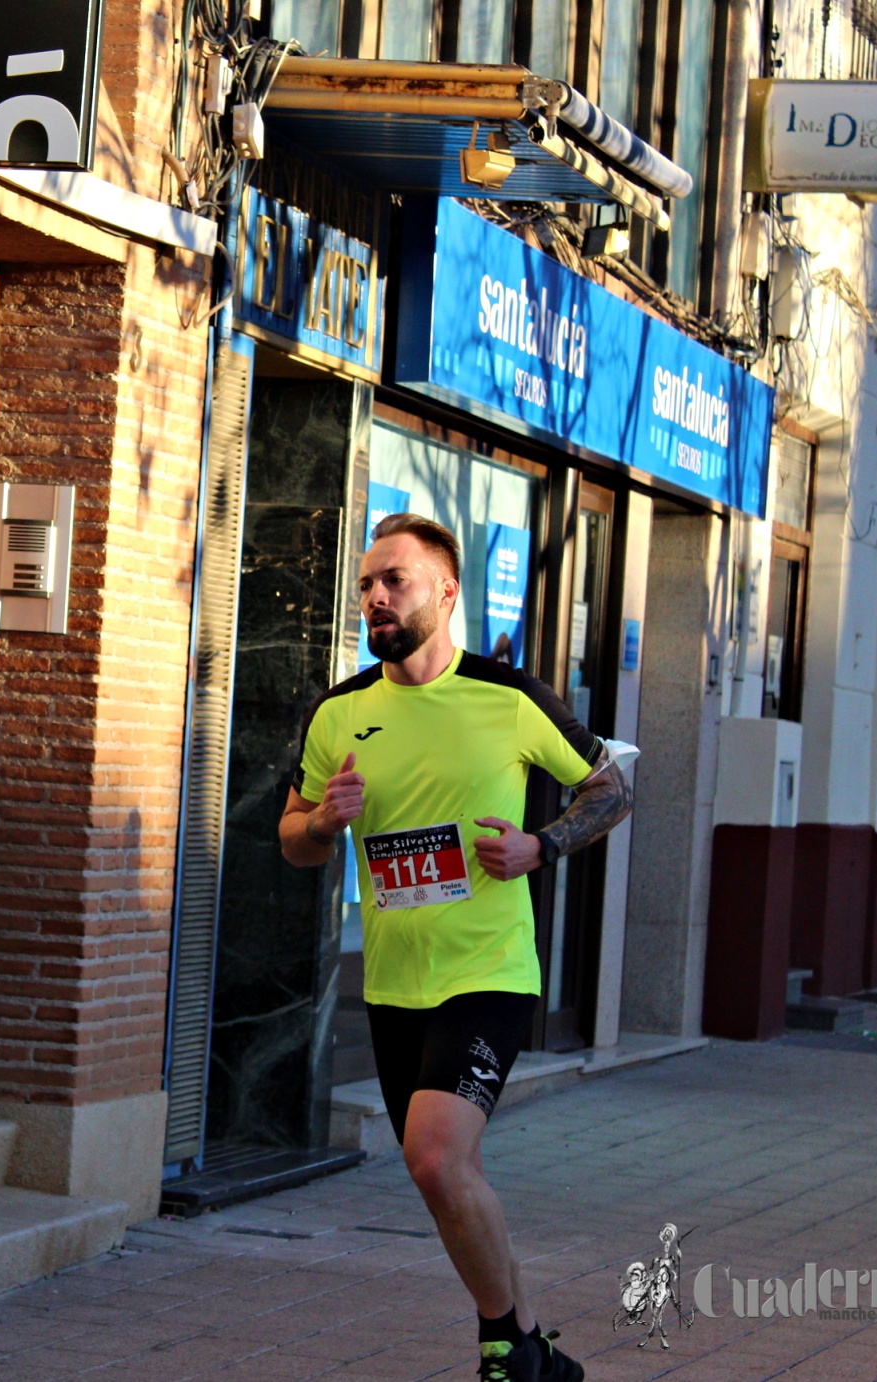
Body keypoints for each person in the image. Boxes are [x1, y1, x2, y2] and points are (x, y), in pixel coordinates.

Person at [279, 512, 631, 1382]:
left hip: (489, 974)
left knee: (436, 1157)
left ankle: (503, 1345)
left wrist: (538, 847)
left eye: (393, 580)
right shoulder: (341, 712)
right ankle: (539, 1346)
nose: (376, 597)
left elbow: (610, 787)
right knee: (444, 1178)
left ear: (445, 590)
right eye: (366, 584)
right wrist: (323, 820)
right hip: (397, 983)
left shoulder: (508, 698)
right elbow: (291, 838)